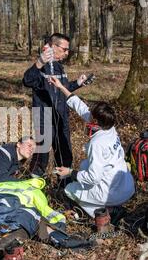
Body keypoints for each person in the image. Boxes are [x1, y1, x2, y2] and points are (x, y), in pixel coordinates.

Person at [49, 76, 135, 217]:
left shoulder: (97, 143)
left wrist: (70, 172)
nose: (89, 114)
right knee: (84, 165)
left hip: (112, 193)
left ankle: (106, 215)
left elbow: (94, 177)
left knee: (70, 189)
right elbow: (81, 107)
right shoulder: (109, 127)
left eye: (92, 114)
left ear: (95, 120)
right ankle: (110, 207)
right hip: (126, 185)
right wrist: (61, 87)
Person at [23, 33, 88, 182]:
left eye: (67, 50)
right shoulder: (42, 66)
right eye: (64, 49)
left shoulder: (59, 67)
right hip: (45, 118)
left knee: (65, 154)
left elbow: (61, 89)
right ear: (53, 46)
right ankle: (33, 185)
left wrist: (76, 84)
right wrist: (39, 62)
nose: (66, 53)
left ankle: (64, 187)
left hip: (61, 117)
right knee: (42, 156)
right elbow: (27, 80)